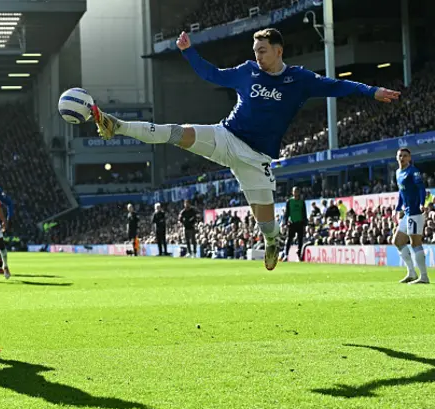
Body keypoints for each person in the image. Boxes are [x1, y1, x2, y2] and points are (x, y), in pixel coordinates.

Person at [91, 28, 400, 271]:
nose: (258, 56)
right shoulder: (247, 71)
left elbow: (337, 86)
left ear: (279, 51)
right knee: (175, 132)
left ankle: (271, 241)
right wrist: (188, 52)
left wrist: (372, 91)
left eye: (263, 51)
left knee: (264, 221)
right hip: (225, 136)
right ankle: (116, 124)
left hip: (257, 159)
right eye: (255, 51)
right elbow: (212, 75)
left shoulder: (300, 80)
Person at [393, 148, 428, 284]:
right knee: (397, 241)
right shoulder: (397, 173)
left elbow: (421, 188)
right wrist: (397, 209)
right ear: (397, 157)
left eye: (405, 156)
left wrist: (421, 203)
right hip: (407, 213)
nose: (402, 158)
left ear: (409, 158)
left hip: (415, 212)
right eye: (400, 155)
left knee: (415, 243)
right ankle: (411, 273)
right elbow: (401, 193)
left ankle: (424, 276)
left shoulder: (413, 171)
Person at [282, 187, 307, 262]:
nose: (296, 193)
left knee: (300, 240)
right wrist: (285, 223)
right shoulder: (289, 201)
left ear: (299, 192)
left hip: (300, 223)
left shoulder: (302, 202)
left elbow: (304, 213)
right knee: (289, 239)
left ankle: (299, 255)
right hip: (292, 223)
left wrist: (305, 223)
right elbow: (287, 213)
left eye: (297, 191)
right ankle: (286, 255)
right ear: (292, 192)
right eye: (294, 191)